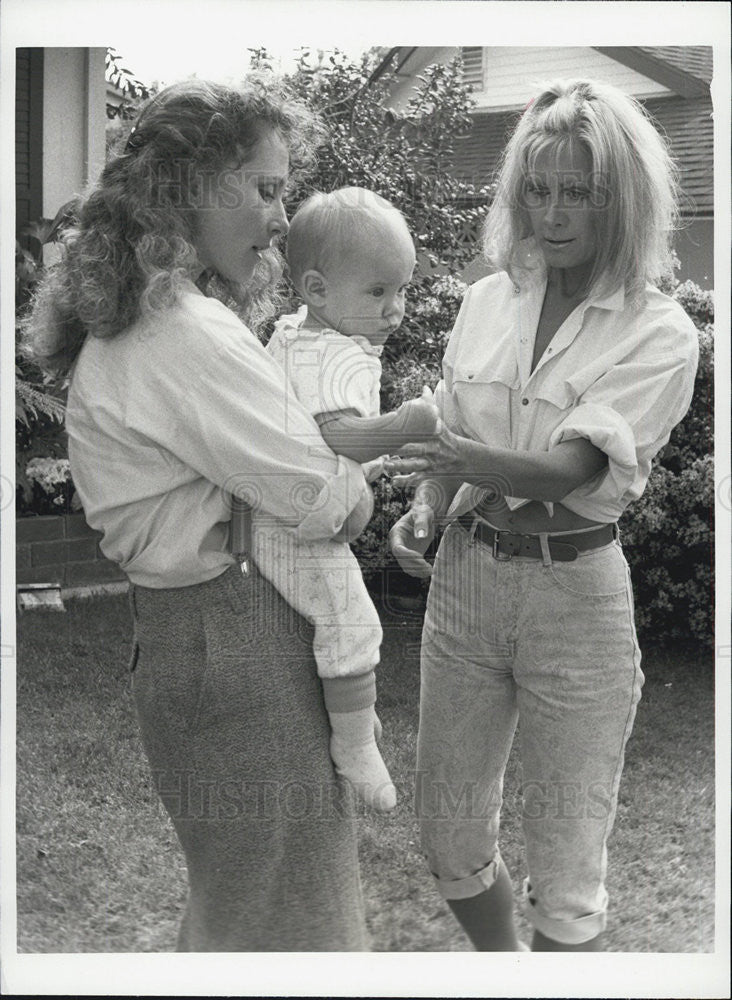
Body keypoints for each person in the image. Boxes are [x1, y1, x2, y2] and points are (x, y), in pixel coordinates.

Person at [24, 78, 380, 951]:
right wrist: (362, 490)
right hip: (240, 643)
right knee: (297, 922)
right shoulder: (185, 333)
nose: (281, 215)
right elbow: (327, 500)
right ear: (186, 186)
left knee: (242, 905)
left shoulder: (136, 322)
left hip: (188, 641)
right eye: (264, 188)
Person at [388, 78, 699, 952]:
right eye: (538, 188)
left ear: (624, 203)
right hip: (467, 584)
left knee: (567, 873)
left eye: (581, 194)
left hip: (577, 602)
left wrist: (459, 462)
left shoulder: (660, 331)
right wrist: (427, 504)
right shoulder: (490, 301)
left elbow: (572, 469)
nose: (554, 213)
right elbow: (455, 424)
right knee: (447, 837)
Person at [256, 187, 439, 812]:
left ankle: (349, 712)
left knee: (329, 625)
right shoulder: (332, 355)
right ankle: (355, 742)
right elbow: (337, 435)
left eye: (402, 291)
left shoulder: (298, 336)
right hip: (292, 522)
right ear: (315, 288)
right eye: (378, 292)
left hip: (281, 510)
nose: (396, 310)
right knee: (351, 620)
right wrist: (404, 427)